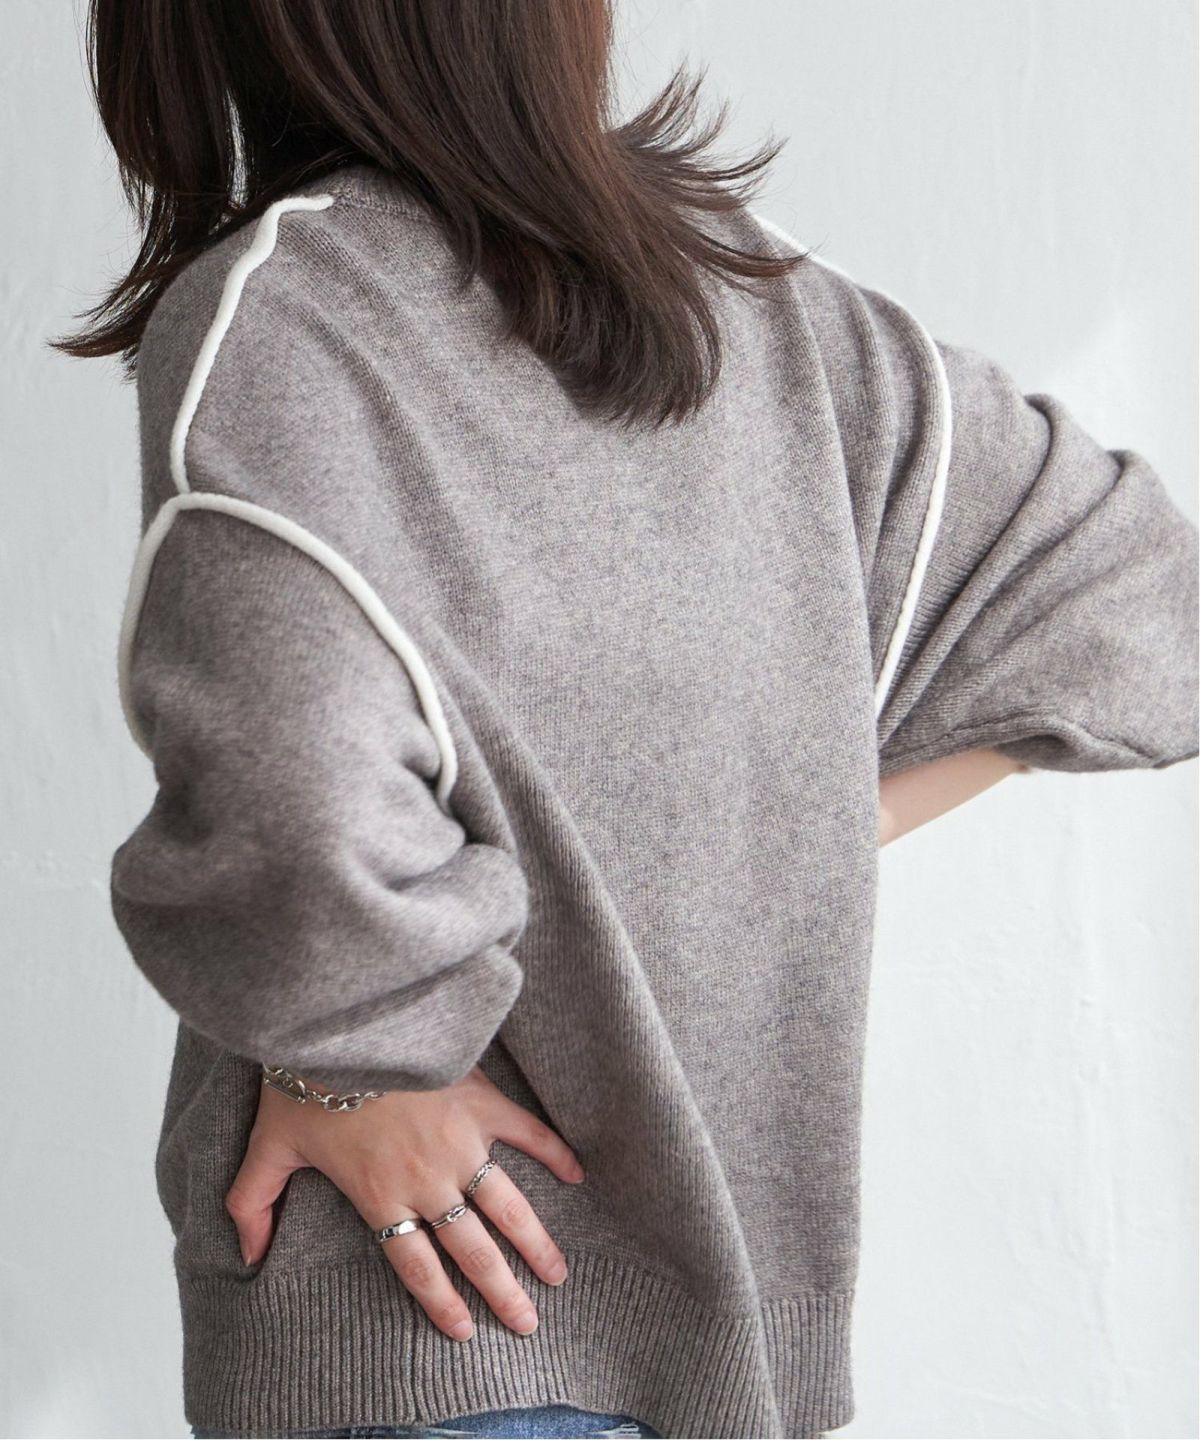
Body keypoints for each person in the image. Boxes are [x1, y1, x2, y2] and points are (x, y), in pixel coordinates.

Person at [53, 2, 1197, 1437]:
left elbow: (292, 791)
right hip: (723, 1343)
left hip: (427, 1324)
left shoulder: (288, 311)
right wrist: (796, 825)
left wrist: (349, 1069)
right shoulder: (751, 296)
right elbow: (1137, 591)